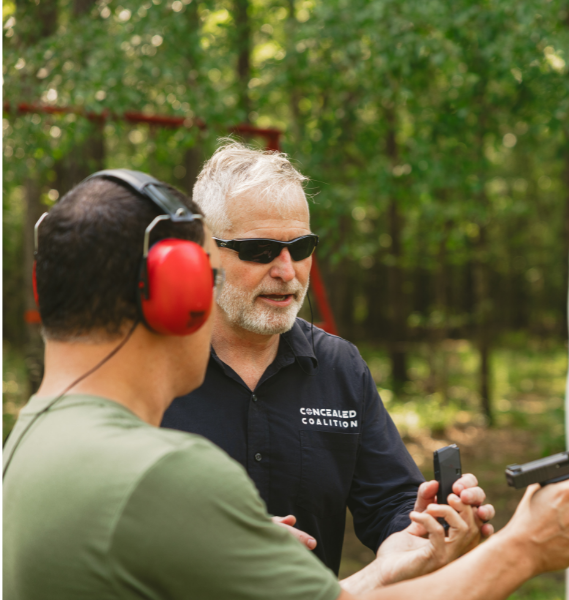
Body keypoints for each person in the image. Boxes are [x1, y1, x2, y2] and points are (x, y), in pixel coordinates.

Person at [4, 169, 569, 600]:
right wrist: (525, 547)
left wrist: (393, 560)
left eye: (300, 246)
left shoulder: (32, 442)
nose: (285, 270)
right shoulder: (161, 475)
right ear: (181, 294)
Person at [161, 141, 493, 573]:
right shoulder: (148, 365)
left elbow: (391, 501)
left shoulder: (340, 367)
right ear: (202, 251)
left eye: (300, 248)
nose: (286, 271)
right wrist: (218, 545)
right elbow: (100, 521)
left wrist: (416, 538)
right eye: (260, 250)